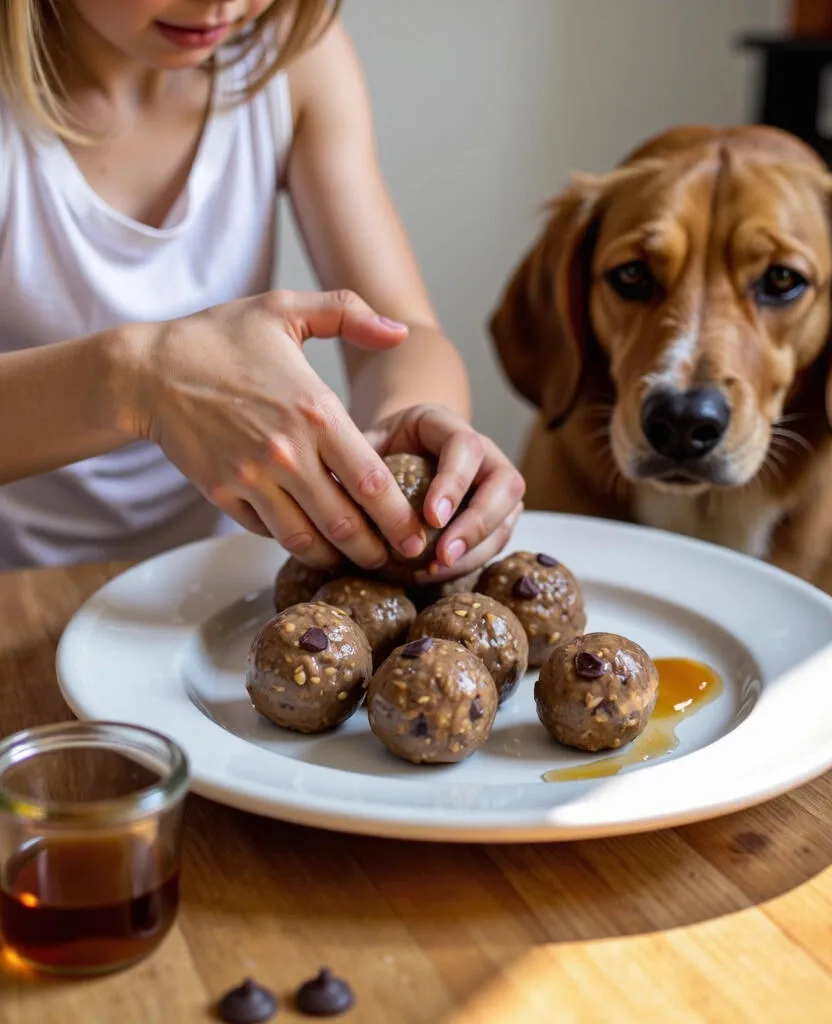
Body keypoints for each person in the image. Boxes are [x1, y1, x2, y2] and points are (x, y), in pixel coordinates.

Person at [0, 1, 524, 578]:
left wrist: (409, 438)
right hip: (17, 585)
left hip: (213, 586)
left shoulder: (291, 62)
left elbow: (398, 330)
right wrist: (136, 378)